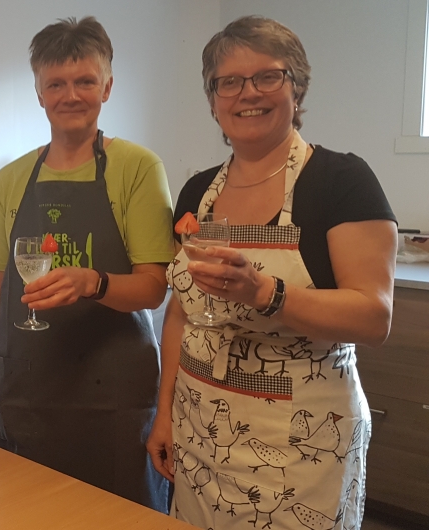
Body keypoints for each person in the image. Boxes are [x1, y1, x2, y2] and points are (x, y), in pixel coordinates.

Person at [145, 15, 396, 530]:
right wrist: (163, 410)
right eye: (229, 82)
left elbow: (374, 317)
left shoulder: (339, 180)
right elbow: (181, 314)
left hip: (301, 444)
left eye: (267, 77)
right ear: (213, 100)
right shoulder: (197, 191)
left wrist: (266, 291)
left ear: (296, 87)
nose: (247, 94)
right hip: (201, 431)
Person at [0, 16, 175, 511]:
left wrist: (93, 282)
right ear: (39, 93)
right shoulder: (11, 179)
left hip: (113, 399)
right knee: (28, 512)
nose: (71, 95)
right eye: (55, 84)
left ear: (107, 86)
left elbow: (153, 289)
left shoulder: (137, 168)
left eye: (85, 81)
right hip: (27, 391)